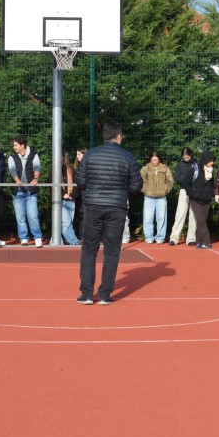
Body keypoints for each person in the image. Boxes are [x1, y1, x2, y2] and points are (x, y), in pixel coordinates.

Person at [76, 121, 143, 305]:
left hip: (93, 205)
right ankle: (105, 295)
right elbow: (137, 184)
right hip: (116, 206)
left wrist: (93, 190)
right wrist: (123, 193)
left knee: (89, 249)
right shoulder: (127, 157)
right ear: (119, 136)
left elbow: (80, 180)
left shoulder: (90, 155)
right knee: (112, 250)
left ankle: (86, 294)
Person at [8, 135, 43, 247]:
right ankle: (24, 238)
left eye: (16, 145)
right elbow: (12, 170)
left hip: (31, 192)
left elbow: (37, 168)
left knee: (33, 216)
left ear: (22, 145)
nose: (14, 147)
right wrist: (17, 180)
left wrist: (35, 178)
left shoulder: (34, 155)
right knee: (20, 217)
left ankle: (37, 237)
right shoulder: (12, 157)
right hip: (17, 192)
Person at [140, 150, 174, 244]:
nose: (155, 162)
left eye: (156, 160)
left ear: (159, 159)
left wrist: (165, 189)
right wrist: (145, 189)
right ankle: (149, 237)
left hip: (161, 197)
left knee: (161, 218)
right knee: (148, 218)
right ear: (150, 159)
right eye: (153, 160)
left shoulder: (165, 168)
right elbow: (140, 180)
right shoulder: (145, 168)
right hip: (149, 197)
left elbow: (170, 180)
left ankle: (160, 237)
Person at [188, 151, 217, 250]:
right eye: (211, 161)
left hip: (206, 200)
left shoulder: (211, 171)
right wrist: (191, 193)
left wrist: (211, 194)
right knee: (200, 219)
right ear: (205, 160)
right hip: (195, 200)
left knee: (202, 220)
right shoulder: (195, 169)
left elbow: (212, 185)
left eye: (213, 161)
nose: (212, 163)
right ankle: (206, 241)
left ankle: (200, 241)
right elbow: (185, 182)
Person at [170, 147, 198, 246]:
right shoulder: (180, 165)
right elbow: (177, 177)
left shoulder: (196, 164)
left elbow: (197, 177)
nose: (186, 159)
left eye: (187, 157)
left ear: (191, 155)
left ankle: (191, 238)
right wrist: (186, 181)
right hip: (184, 190)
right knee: (180, 214)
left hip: (194, 191)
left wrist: (187, 180)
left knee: (193, 215)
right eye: (184, 157)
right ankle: (174, 238)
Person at [61, 153, 80, 245]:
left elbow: (76, 183)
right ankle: (74, 241)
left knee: (68, 222)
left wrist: (72, 195)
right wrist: (62, 194)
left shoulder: (71, 168)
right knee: (66, 222)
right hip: (60, 200)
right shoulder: (54, 169)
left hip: (71, 199)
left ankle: (61, 239)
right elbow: (52, 185)